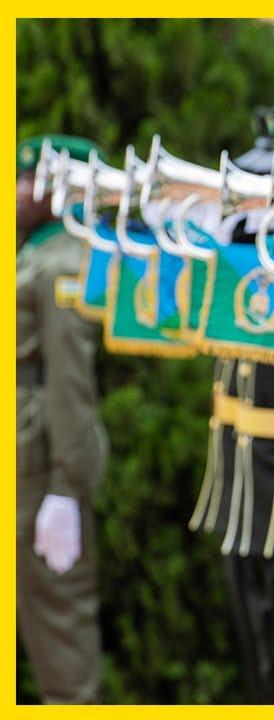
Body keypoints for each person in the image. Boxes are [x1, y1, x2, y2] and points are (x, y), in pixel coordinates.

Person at [17, 134, 109, 704]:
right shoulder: (34, 255)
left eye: (31, 180)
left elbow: (69, 386)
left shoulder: (63, 264)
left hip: (36, 478)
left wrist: (66, 490)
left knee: (62, 649)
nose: (18, 192)